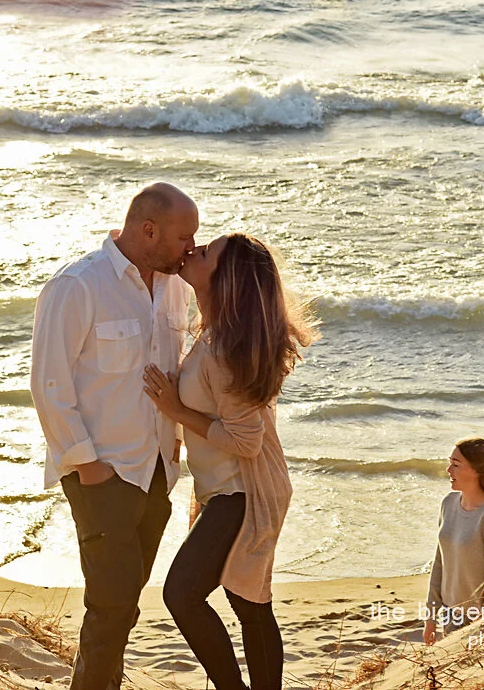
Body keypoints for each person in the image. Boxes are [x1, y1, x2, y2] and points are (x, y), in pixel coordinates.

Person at [30, 182, 198, 690]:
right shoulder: (78, 286)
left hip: (156, 474)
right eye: (183, 237)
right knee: (110, 605)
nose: (190, 247)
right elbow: (49, 383)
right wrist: (88, 465)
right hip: (102, 473)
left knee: (122, 607)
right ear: (149, 230)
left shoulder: (175, 289)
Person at [143, 233, 315, 690]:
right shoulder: (214, 333)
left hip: (244, 490)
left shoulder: (223, 351)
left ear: (227, 279)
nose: (194, 250)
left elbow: (247, 439)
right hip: (227, 488)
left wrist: (177, 414)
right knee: (249, 604)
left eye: (206, 253)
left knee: (183, 594)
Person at [423, 438, 484, 644]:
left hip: (479, 619)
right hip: (449, 614)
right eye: (450, 463)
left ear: (477, 470)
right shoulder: (448, 504)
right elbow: (440, 562)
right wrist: (431, 616)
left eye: (456, 465)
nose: (448, 470)